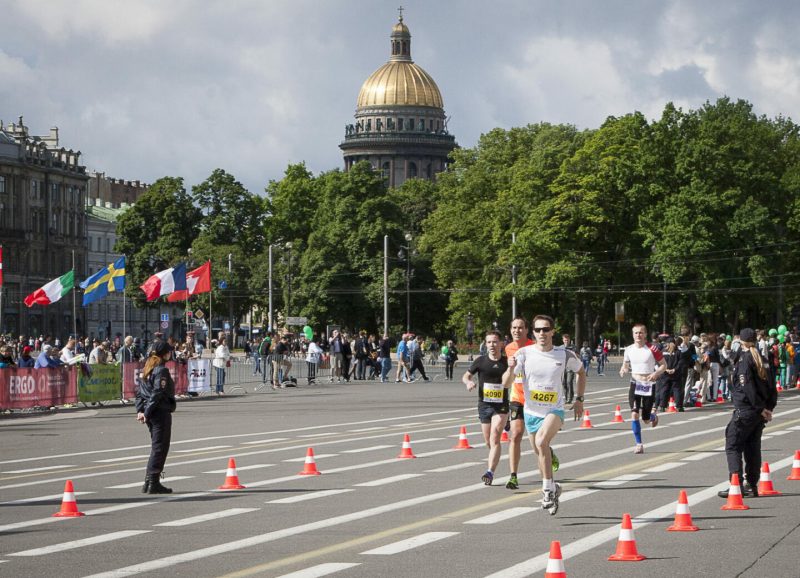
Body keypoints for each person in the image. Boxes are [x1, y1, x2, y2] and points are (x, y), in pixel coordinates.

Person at [502, 314, 585, 515]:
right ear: (533, 332)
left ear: (552, 332)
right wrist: (511, 368)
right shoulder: (523, 354)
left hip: (554, 411)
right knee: (540, 453)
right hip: (531, 412)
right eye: (538, 330)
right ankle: (554, 488)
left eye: (546, 329)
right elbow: (506, 383)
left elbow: (581, 373)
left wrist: (579, 399)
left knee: (541, 442)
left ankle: (547, 491)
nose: (542, 333)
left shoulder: (564, 354)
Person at [718, 328, 778, 498]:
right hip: (759, 412)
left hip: (747, 409)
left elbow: (747, 387)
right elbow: (773, 388)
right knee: (753, 447)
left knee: (733, 444)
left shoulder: (745, 359)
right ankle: (752, 483)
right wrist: (768, 408)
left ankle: (736, 485)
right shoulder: (763, 359)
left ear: (741, 342)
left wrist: (760, 408)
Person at [463, 331, 509, 485]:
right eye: (489, 342)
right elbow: (466, 375)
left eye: (495, 342)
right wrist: (468, 382)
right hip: (484, 404)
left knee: (495, 436)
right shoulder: (480, 361)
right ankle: (493, 459)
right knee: (488, 441)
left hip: (501, 405)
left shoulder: (506, 362)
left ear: (501, 343)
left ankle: (490, 472)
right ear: (485, 344)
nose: (492, 345)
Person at [135, 340, 176, 494]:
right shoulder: (161, 371)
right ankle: (153, 481)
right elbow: (157, 392)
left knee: (156, 446)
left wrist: (141, 410)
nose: (170, 353)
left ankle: (148, 481)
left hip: (151, 412)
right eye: (169, 351)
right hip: (159, 412)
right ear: (164, 353)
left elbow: (140, 393)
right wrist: (146, 412)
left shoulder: (147, 368)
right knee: (160, 447)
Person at [620, 323, 667, 454]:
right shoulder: (629, 349)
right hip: (635, 383)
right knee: (634, 414)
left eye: (641, 332)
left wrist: (656, 373)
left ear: (645, 334)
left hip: (648, 384)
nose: (638, 335)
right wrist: (624, 369)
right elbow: (625, 364)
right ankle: (639, 444)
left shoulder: (653, 349)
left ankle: (652, 416)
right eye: (636, 333)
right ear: (632, 335)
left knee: (645, 419)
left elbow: (664, 365)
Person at [504, 316, 533, 490]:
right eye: (514, 328)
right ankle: (513, 476)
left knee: (537, 440)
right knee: (515, 435)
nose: (517, 331)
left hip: (535, 399)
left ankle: (548, 452)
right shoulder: (508, 348)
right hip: (516, 397)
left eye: (520, 327)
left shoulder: (534, 347)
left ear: (527, 330)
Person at [561, 333, 577, 403]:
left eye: (567, 340)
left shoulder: (573, 347)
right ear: (563, 340)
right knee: (564, 383)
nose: (566, 341)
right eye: (565, 340)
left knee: (569, 382)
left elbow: (577, 355)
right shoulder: (560, 348)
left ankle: (570, 398)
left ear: (569, 340)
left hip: (570, 367)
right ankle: (566, 397)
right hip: (563, 367)